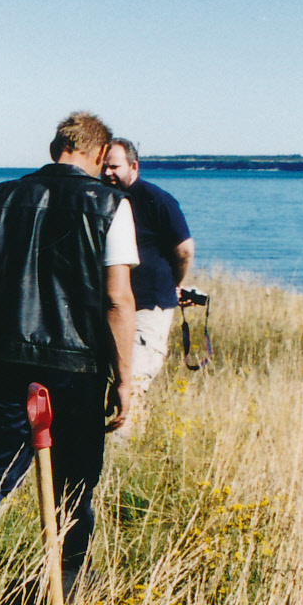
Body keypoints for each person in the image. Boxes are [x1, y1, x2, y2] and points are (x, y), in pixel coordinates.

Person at [0, 112, 138, 605]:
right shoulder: (110, 205)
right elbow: (118, 301)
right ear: (101, 155)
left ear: (56, 145)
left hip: (5, 361)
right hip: (76, 370)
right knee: (73, 486)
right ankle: (58, 594)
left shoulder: (3, 199)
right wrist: (126, 380)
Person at [102, 137, 196, 431]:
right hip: (115, 311)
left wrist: (173, 285)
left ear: (133, 166)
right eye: (103, 167)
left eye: (114, 167)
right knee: (111, 388)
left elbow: (184, 250)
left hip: (148, 310)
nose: (108, 174)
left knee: (133, 387)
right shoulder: (105, 200)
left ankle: (122, 462)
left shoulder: (158, 199)